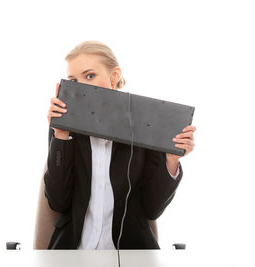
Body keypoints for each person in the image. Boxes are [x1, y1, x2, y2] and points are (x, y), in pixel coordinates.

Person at [44, 41, 196, 249]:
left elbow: (152, 209)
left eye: (89, 76)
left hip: (130, 251)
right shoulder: (65, 130)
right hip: (75, 250)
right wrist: (61, 137)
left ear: (114, 76)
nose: (80, 86)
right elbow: (58, 202)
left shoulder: (145, 125)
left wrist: (171, 160)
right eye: (73, 79)